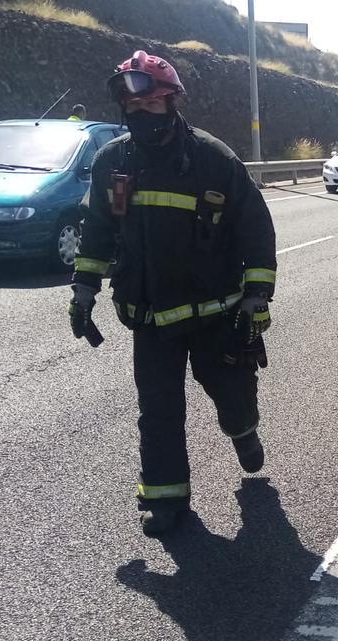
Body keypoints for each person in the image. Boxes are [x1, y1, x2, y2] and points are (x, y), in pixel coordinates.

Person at [68, 50, 277, 536]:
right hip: (150, 317)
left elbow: (255, 230)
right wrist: (83, 289)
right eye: (132, 108)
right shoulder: (111, 161)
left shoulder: (212, 158)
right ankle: (165, 499)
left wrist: (256, 296)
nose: (139, 114)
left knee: (231, 390)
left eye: (150, 105)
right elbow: (97, 229)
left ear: (172, 102)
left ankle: (242, 429)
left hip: (215, 314)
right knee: (158, 411)